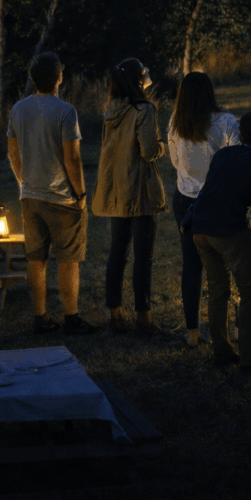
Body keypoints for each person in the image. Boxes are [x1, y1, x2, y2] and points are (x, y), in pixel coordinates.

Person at [7, 51, 97, 335]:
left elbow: (12, 151)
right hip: (62, 199)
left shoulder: (18, 109)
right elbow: (72, 158)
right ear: (59, 77)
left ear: (33, 78)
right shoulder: (65, 111)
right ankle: (71, 317)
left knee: (37, 260)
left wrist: (24, 181)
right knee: (68, 260)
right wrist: (81, 194)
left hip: (31, 197)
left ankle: (41, 317)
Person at [189, 110, 251, 373]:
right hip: (229, 230)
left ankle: (222, 352)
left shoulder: (222, 154)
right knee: (250, 292)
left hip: (201, 228)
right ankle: (249, 358)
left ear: (239, 135)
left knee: (218, 290)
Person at [92, 58, 167, 337]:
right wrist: (162, 147)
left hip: (117, 191)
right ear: (139, 79)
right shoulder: (144, 110)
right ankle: (144, 319)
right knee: (142, 257)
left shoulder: (111, 109)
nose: (148, 75)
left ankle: (115, 314)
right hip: (140, 191)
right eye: (144, 73)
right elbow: (148, 150)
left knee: (117, 254)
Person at [168, 72, 240, 347]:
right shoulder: (226, 121)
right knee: (219, 265)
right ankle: (221, 329)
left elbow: (176, 161)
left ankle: (192, 333)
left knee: (191, 265)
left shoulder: (176, 121)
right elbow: (235, 160)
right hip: (216, 200)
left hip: (185, 199)